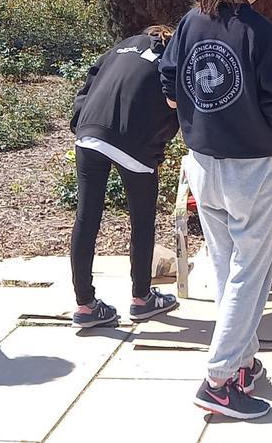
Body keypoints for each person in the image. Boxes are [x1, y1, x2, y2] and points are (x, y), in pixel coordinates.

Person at [159, 0, 272, 420]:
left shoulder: (190, 22)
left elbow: (170, 84)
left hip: (203, 161)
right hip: (253, 168)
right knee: (249, 273)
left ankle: (241, 362)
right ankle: (219, 378)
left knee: (226, 267)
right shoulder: (266, 36)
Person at [69, 25, 181, 327]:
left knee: (86, 218)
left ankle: (85, 305)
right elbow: (178, 104)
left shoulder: (122, 46)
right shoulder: (172, 56)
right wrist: (160, 145)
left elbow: (90, 81)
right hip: (135, 142)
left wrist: (80, 124)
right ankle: (142, 299)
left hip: (90, 133)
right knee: (142, 221)